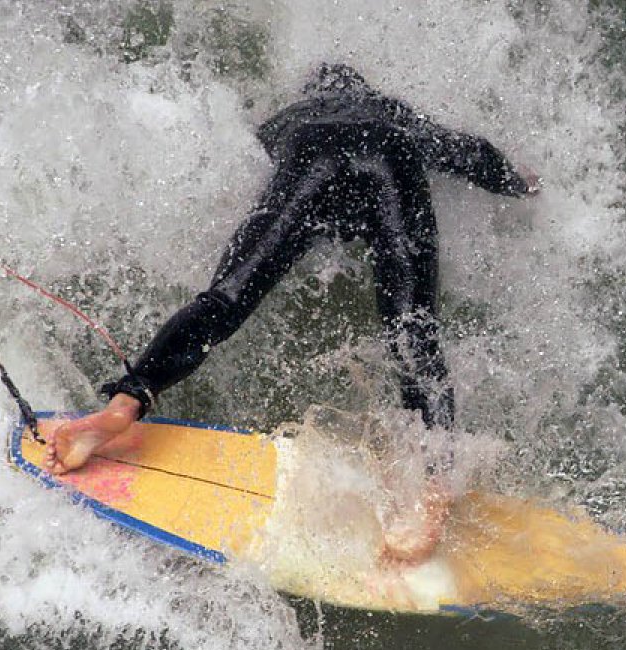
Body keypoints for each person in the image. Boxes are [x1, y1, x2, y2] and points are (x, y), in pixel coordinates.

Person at [45, 63, 540, 562]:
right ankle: (432, 500)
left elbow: (236, 169)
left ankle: (122, 407)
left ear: (313, 93)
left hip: (311, 164)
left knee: (223, 302)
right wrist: (519, 183)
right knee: (413, 332)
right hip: (389, 165)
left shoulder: (287, 120)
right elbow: (469, 153)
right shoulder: (396, 115)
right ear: (364, 91)